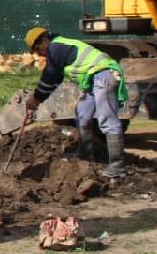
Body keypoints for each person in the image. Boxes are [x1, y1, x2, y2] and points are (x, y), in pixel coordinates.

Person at [24, 27, 128, 177]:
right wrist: (39, 98)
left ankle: (117, 166)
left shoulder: (56, 47)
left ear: (45, 40)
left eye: (37, 49)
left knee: (107, 120)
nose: (38, 54)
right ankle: (86, 155)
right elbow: (55, 80)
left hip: (104, 75)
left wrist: (36, 98)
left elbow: (50, 75)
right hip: (93, 80)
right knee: (82, 114)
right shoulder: (58, 48)